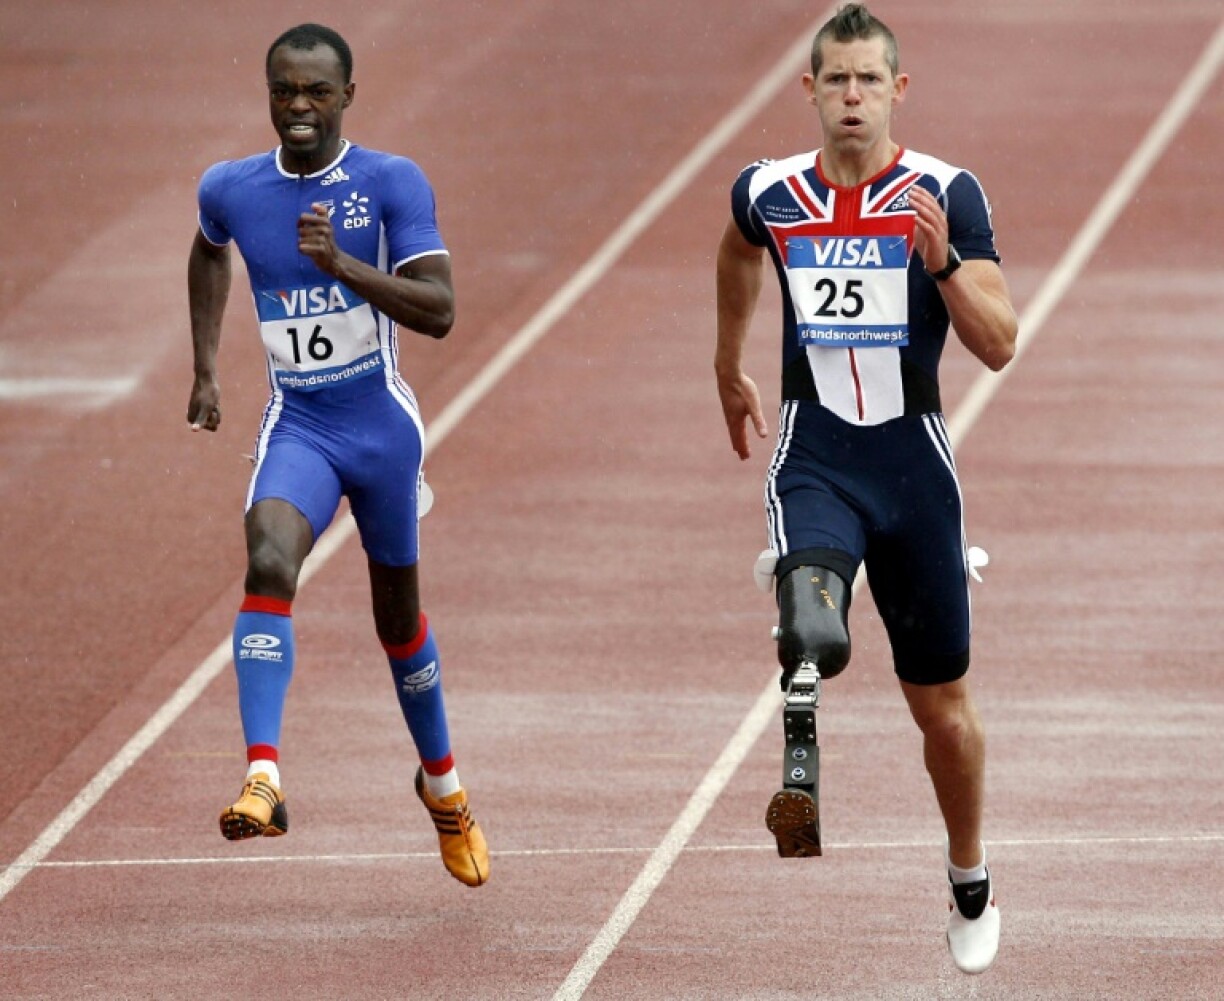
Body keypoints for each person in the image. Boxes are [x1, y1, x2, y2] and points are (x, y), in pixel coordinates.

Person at [714, 4, 1016, 974]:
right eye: (835, 80)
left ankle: (968, 872)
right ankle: (801, 737)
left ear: (897, 89)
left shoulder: (944, 192)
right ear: (808, 90)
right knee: (818, 624)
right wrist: (729, 365)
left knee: (944, 709)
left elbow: (1000, 343)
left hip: (914, 471)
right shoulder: (771, 192)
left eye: (868, 80)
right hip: (816, 455)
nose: (851, 96)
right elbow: (735, 248)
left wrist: (943, 262)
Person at [186, 23, 488, 888]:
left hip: (380, 427)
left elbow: (439, 310)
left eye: (317, 92)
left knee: (398, 623)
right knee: (270, 554)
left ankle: (444, 787)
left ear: (348, 95)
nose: (300, 108)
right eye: (285, 91)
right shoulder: (232, 187)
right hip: (300, 425)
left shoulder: (391, 182)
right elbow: (208, 252)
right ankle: (264, 777)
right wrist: (207, 367)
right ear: (268, 94)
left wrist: (344, 264)